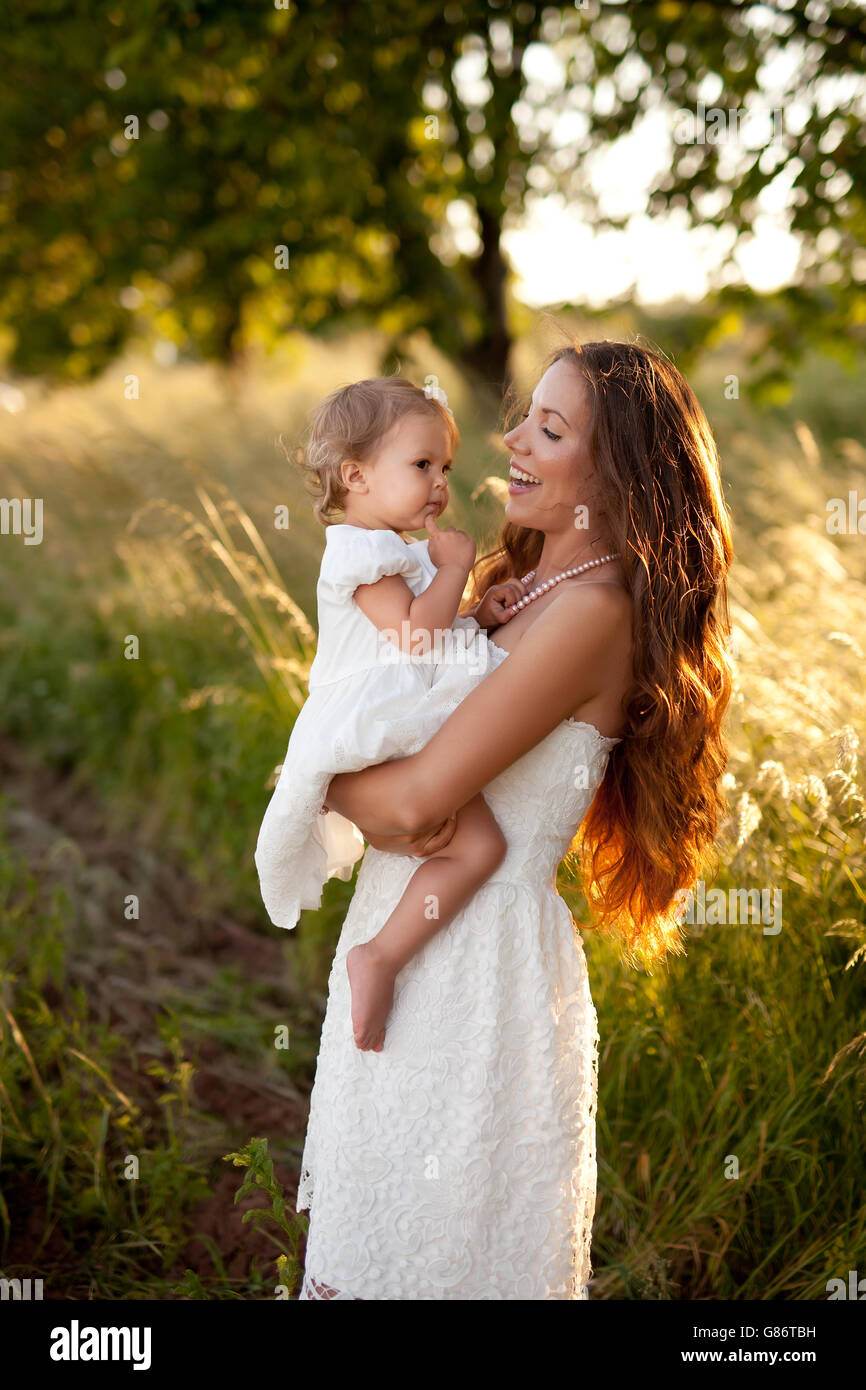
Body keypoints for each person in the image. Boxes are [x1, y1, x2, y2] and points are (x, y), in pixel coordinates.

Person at [295, 339, 734, 1300]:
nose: (510, 439)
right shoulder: (517, 587)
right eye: (524, 415)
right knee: (369, 1245)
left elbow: (414, 800)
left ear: (616, 470)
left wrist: (313, 781)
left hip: (476, 963)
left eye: (550, 425)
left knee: (437, 1260)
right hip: (406, 926)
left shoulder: (592, 613)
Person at [255, 376, 540, 1050]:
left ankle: (390, 935)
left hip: (399, 710)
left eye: (444, 466)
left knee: (463, 838)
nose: (440, 483)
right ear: (356, 476)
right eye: (421, 466)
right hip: (378, 723)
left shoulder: (391, 548)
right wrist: (456, 569)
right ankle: (379, 957)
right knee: (481, 845)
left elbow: (424, 633)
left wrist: (475, 609)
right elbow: (415, 636)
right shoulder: (360, 551)